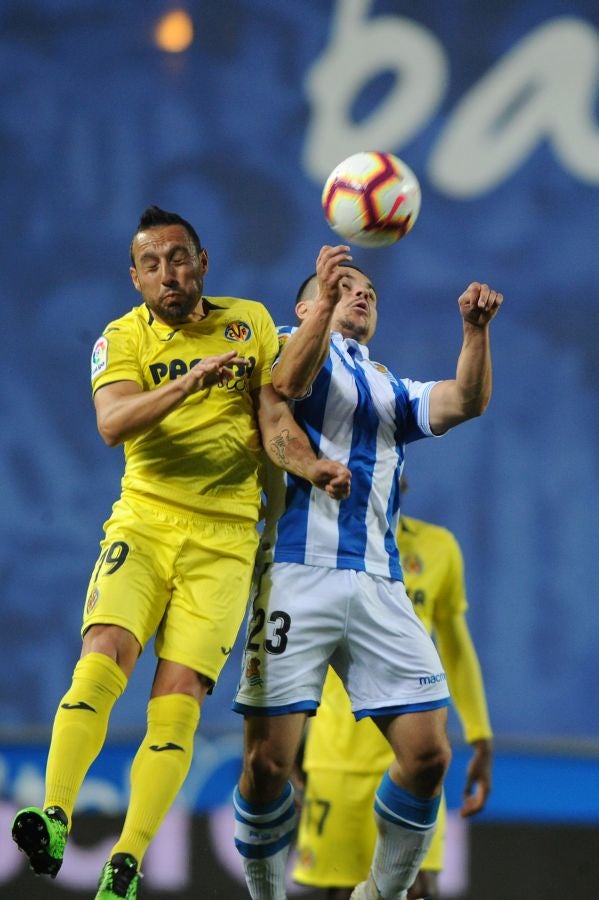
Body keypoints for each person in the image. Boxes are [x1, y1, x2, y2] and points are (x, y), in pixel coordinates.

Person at [11, 208, 350, 900]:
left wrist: (310, 467)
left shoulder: (248, 322)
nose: (167, 273)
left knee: (178, 699)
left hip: (225, 540)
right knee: (103, 655)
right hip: (144, 523)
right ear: (135, 278)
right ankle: (55, 816)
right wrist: (187, 383)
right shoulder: (120, 338)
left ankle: (126, 862)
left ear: (203, 263)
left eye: (178, 258)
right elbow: (112, 422)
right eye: (152, 263)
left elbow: (276, 413)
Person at [231, 244, 503, 900]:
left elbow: (465, 400)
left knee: (428, 755)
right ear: (306, 306)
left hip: (378, 582)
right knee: (267, 764)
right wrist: (323, 304)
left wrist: (474, 333)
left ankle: (379, 894)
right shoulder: (285, 343)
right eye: (344, 286)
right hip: (295, 574)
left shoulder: (387, 387)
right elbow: (282, 390)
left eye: (369, 293)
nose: (361, 295)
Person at [292, 479, 493, 900]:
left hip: (414, 756)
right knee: (341, 890)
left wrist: (480, 735)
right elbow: (294, 651)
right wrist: (284, 750)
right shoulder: (316, 548)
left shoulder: (438, 549)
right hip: (337, 761)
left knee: (418, 887)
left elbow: (455, 647)